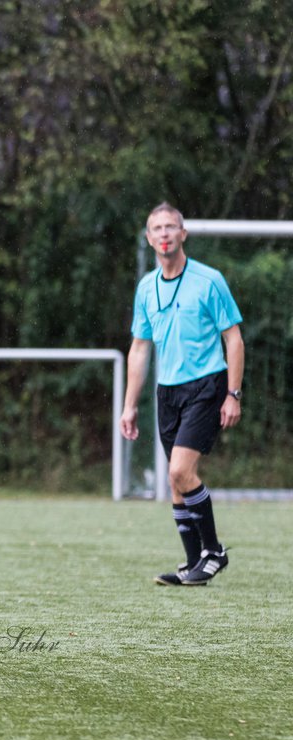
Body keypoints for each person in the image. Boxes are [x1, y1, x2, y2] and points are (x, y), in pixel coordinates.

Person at [121, 202, 244, 587]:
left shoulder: (209, 280)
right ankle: (194, 565)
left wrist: (233, 393)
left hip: (207, 385)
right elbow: (140, 348)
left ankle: (214, 551)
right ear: (149, 238)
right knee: (175, 482)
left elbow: (234, 338)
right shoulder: (146, 286)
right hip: (166, 392)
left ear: (183, 234)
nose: (164, 234)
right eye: (156, 228)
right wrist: (128, 406)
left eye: (170, 227)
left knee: (180, 471)